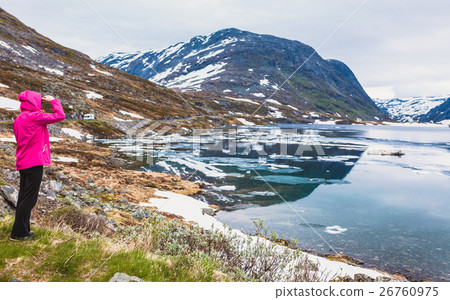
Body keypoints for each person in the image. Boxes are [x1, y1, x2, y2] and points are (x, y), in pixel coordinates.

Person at [10, 91, 65, 241]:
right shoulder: (35, 117)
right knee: (29, 199)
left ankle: (24, 230)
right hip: (34, 162)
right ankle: (18, 233)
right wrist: (54, 101)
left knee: (23, 197)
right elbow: (60, 116)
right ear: (34, 102)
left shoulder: (19, 119)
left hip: (23, 162)